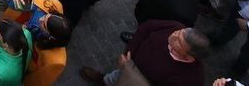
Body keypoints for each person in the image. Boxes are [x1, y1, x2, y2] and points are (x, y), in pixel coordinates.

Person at [79, 21, 209, 86]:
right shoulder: (177, 26)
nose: (174, 34)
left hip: (134, 81)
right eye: (179, 32)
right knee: (112, 78)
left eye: (179, 41)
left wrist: (128, 68)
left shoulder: (191, 79)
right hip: (127, 65)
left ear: (189, 55)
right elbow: (147, 27)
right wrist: (129, 52)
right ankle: (103, 80)